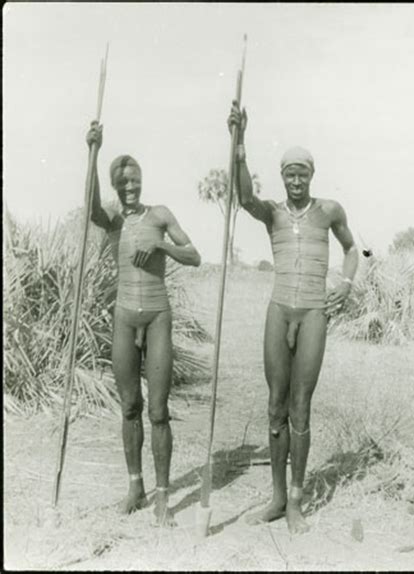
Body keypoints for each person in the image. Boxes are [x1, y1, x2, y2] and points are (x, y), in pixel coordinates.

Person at [228, 101, 359, 534]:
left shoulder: (330, 210)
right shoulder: (273, 213)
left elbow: (352, 249)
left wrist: (346, 282)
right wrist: (239, 140)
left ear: (312, 176)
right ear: (282, 177)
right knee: (274, 406)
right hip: (278, 311)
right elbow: (244, 196)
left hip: (314, 315)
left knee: (300, 407)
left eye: (303, 173)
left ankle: (298, 501)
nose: (297, 180)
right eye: (290, 174)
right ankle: (277, 499)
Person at [86, 121, 201, 527]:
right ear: (116, 188)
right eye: (122, 184)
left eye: (133, 181)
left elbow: (195, 255)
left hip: (157, 318)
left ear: (141, 180)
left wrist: (162, 245)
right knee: (129, 407)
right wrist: (93, 152)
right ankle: (136, 487)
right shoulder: (114, 221)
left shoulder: (160, 215)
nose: (129, 188)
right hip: (123, 318)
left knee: (157, 410)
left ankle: (164, 498)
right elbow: (91, 207)